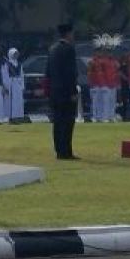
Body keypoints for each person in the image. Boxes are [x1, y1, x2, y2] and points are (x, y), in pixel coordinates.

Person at [48, 23, 80, 158]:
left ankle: (59, 150)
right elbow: (70, 73)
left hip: (55, 91)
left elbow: (48, 72)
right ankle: (66, 151)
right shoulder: (69, 49)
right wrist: (73, 92)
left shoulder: (52, 49)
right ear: (68, 34)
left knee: (57, 121)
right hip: (66, 91)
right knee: (68, 122)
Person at [5, 48, 25, 120]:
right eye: (14, 54)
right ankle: (11, 116)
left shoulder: (19, 64)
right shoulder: (7, 64)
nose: (16, 55)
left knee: (18, 100)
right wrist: (7, 86)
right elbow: (5, 75)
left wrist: (22, 86)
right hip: (11, 82)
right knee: (11, 100)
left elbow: (22, 75)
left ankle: (18, 115)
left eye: (16, 54)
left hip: (18, 83)